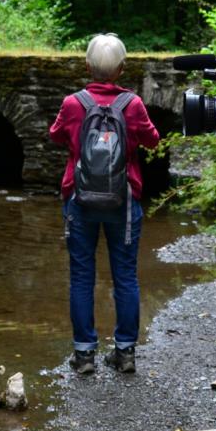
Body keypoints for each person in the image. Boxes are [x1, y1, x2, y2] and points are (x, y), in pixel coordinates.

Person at [49, 33, 160, 374]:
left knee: (82, 276)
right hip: (123, 201)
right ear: (122, 69)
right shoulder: (133, 104)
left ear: (87, 66)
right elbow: (153, 140)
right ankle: (124, 353)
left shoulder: (73, 103)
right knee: (125, 276)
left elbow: (55, 136)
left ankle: (84, 356)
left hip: (79, 199)